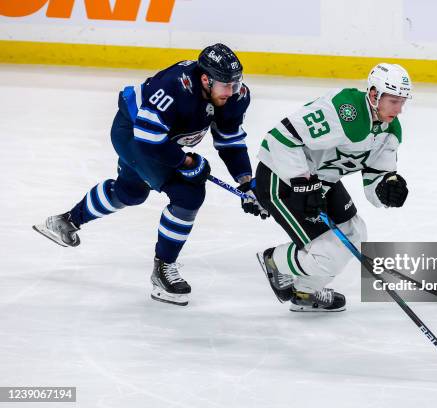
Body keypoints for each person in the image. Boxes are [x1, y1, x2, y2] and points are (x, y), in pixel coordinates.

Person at [33, 43, 267, 306]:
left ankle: (65, 221)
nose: (232, 91)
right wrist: (185, 161)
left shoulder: (233, 95)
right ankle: (163, 270)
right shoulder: (175, 86)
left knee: (130, 193)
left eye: (236, 84)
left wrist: (247, 182)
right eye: (226, 85)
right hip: (133, 133)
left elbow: (230, 140)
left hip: (158, 139)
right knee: (188, 194)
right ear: (205, 79)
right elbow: (147, 137)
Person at [255, 63, 411, 312]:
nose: (399, 109)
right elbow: (280, 137)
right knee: (327, 254)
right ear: (373, 95)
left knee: (356, 234)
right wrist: (302, 184)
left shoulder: (390, 131)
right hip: (281, 177)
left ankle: (305, 292)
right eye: (394, 101)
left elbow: (376, 178)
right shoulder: (344, 110)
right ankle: (275, 261)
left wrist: (387, 189)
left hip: (321, 183)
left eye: (402, 101)